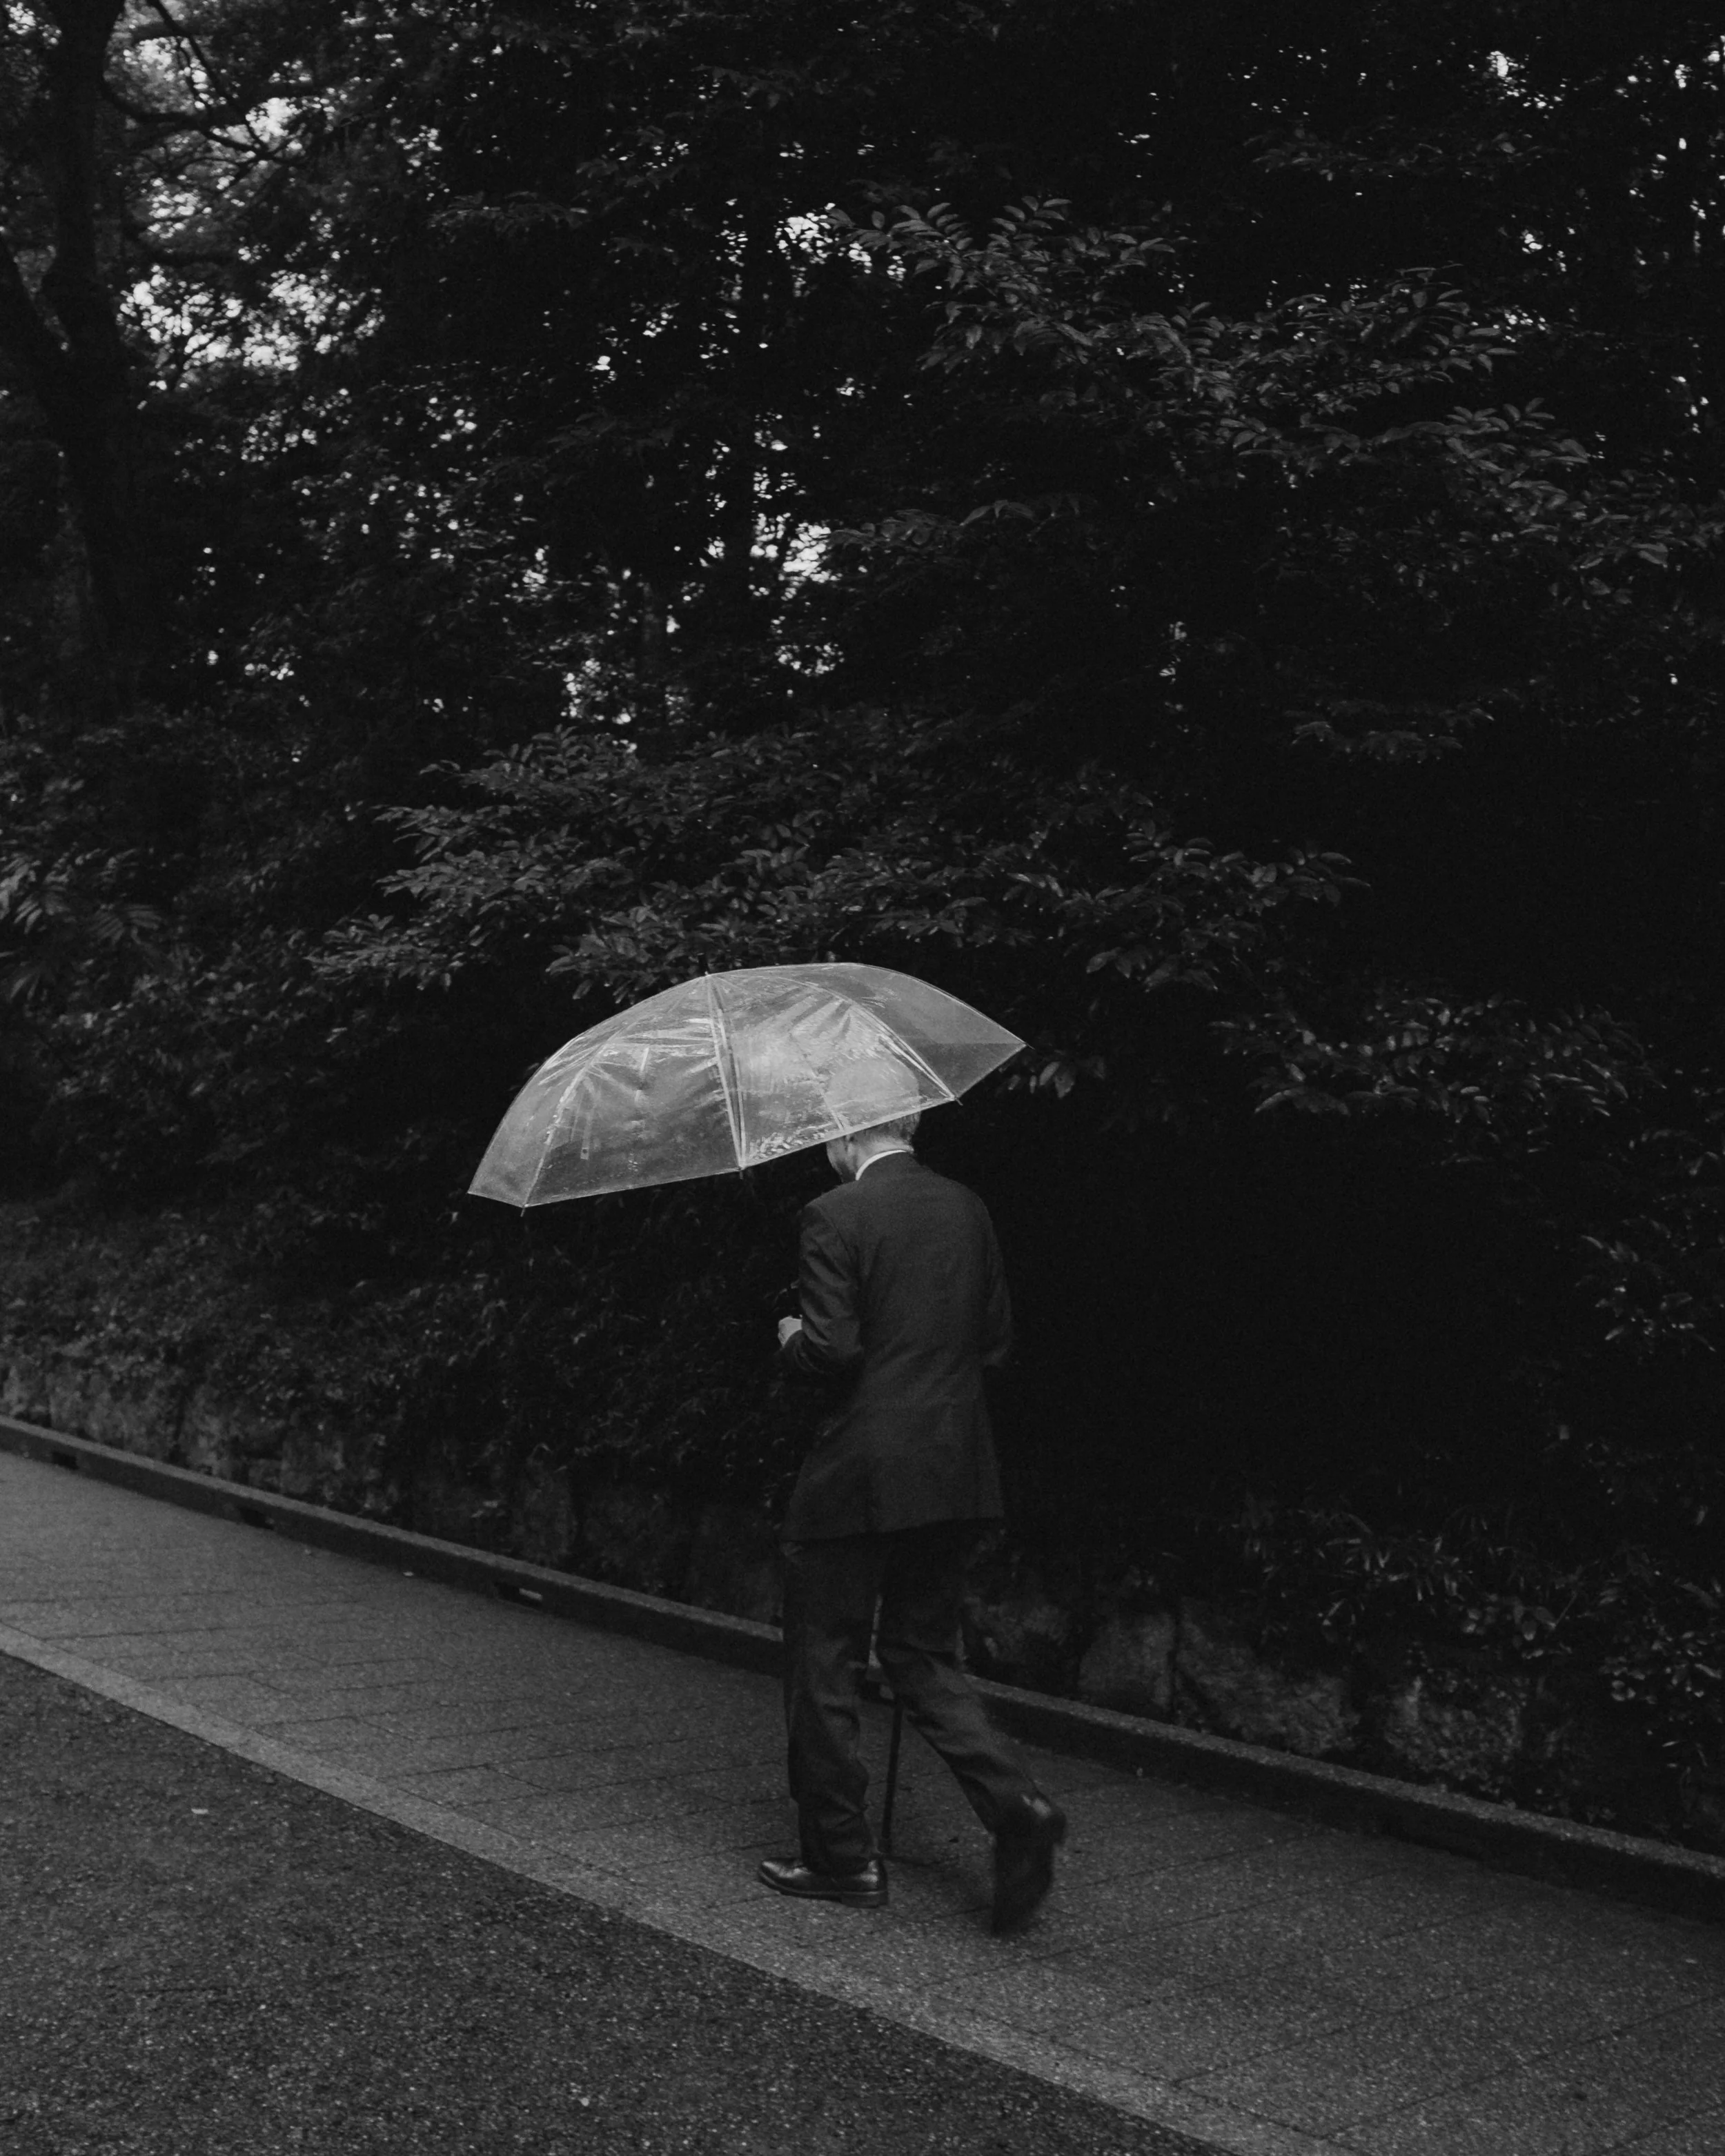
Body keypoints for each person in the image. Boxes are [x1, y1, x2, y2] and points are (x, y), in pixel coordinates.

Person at [759, 1107, 1065, 1932]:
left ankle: (840, 1857)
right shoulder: (966, 1206)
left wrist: (789, 1334)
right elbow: (995, 1341)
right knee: (921, 1651)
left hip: (858, 1470)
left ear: (847, 1134)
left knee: (823, 1656)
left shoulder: (835, 1213)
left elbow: (829, 1350)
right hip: (954, 1463)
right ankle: (1017, 1804)